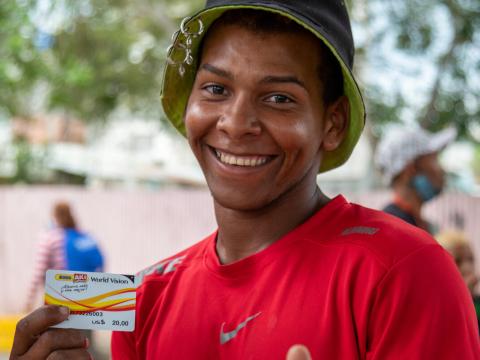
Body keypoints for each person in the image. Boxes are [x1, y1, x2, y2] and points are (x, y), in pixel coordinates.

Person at [11, 1, 479, 359]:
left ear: (332, 124)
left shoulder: (405, 274)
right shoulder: (149, 299)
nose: (236, 123)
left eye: (278, 98)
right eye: (216, 89)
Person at [375, 126, 456, 234]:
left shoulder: (417, 224)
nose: (442, 170)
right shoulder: (392, 229)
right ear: (411, 169)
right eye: (434, 159)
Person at [25, 201, 104, 311]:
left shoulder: (51, 237)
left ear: (54, 215)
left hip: (59, 296)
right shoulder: (86, 236)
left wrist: (29, 301)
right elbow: (100, 263)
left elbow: (39, 270)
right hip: (87, 296)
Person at [437, 230, 480, 330]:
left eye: (470, 259)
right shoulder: (436, 308)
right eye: (457, 260)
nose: (467, 267)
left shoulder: (477, 303)